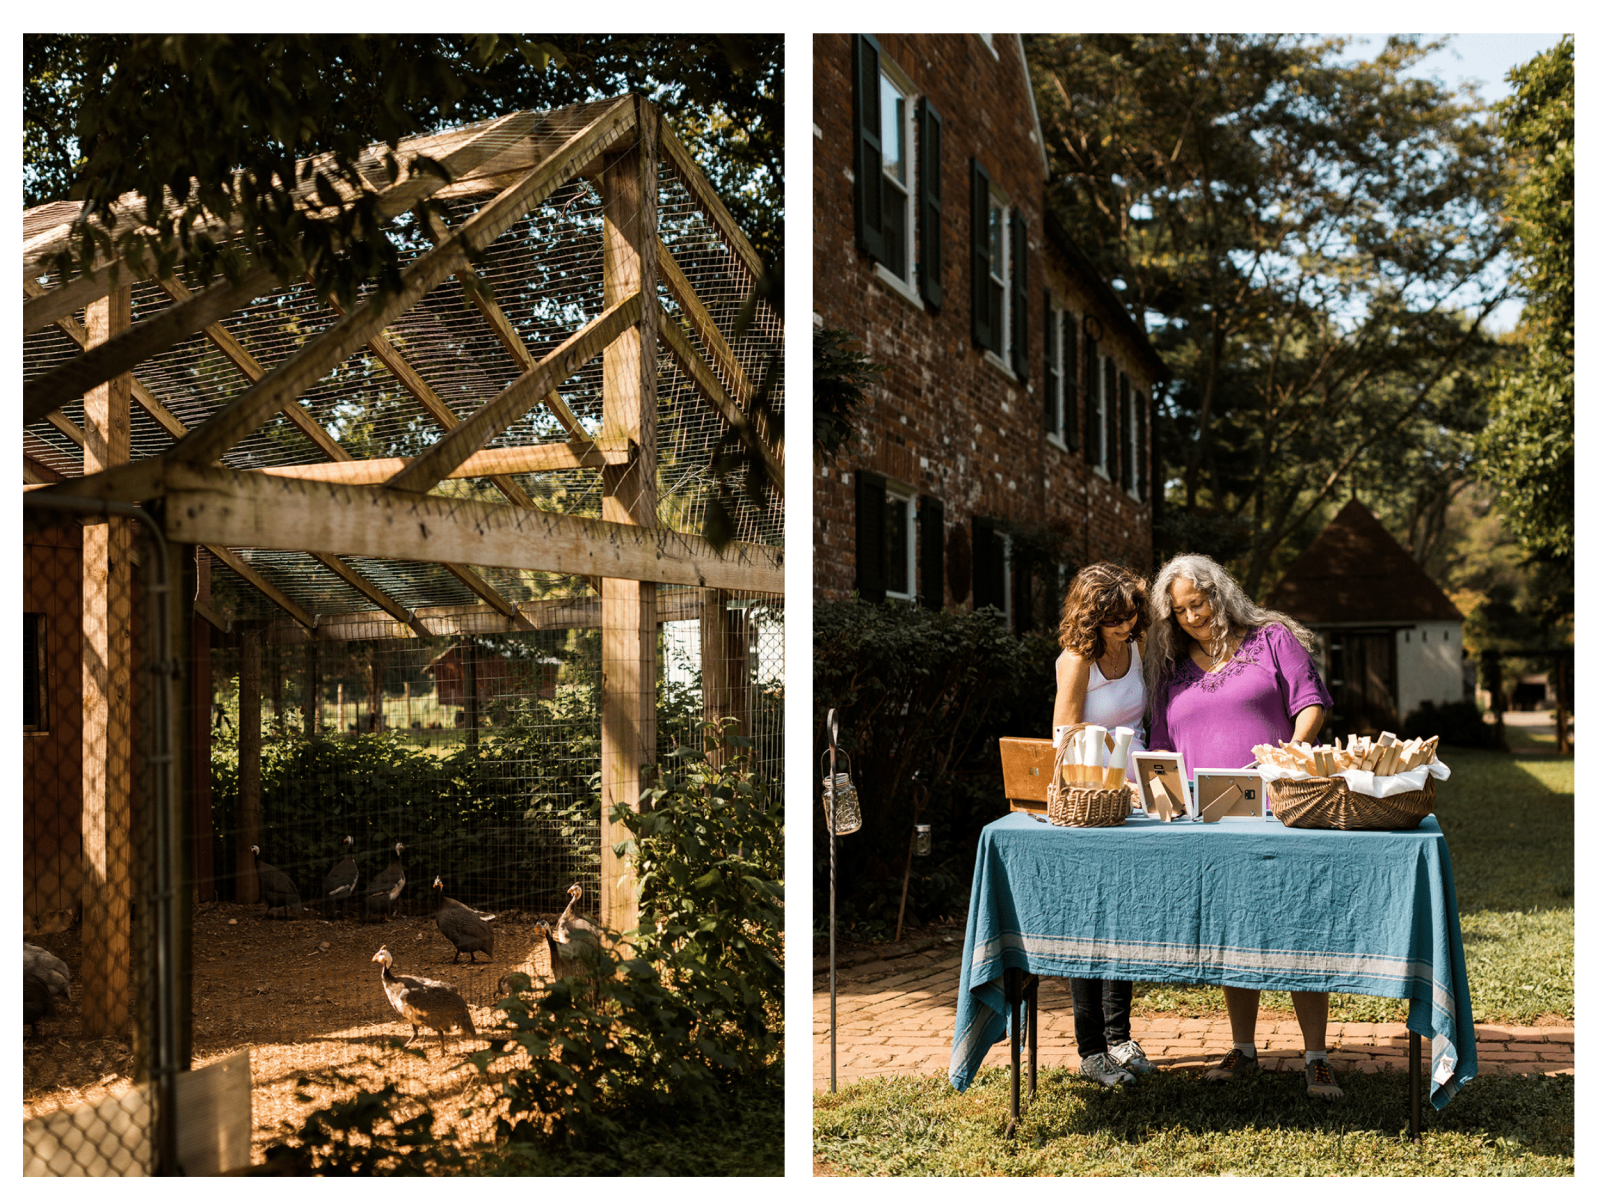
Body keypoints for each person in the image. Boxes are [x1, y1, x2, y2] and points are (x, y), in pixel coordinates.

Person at [1144, 553, 1341, 1099]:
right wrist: (1166, 799)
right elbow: (1160, 747)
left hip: (1281, 809)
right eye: (1180, 611)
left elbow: (1310, 704)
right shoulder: (1170, 666)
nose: (1191, 617)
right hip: (1208, 818)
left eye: (1198, 603)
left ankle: (1317, 1056)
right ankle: (1243, 1048)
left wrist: (1288, 757)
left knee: (1298, 929)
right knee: (1235, 933)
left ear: (1219, 594)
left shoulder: (1271, 639)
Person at [1051, 562, 1153, 1088]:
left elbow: (1138, 725)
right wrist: (1112, 779)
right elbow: (1062, 737)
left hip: (1137, 804)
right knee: (1089, 927)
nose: (1126, 624)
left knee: (1125, 925)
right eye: (1113, 618)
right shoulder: (1077, 661)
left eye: (1131, 613)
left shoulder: (1135, 649)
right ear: (1091, 617)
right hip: (1093, 805)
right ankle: (1091, 1050)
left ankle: (1119, 1038)